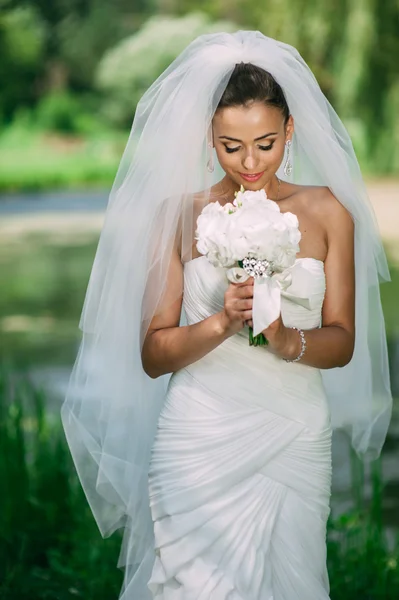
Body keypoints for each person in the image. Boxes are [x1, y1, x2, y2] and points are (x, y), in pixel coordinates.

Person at [61, 31, 392, 599]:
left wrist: (287, 340)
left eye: (265, 143)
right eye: (230, 146)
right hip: (198, 434)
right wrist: (223, 321)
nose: (250, 162)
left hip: (292, 431)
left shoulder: (329, 211)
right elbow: (152, 356)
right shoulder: (179, 214)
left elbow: (342, 342)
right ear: (208, 139)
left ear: (289, 131)